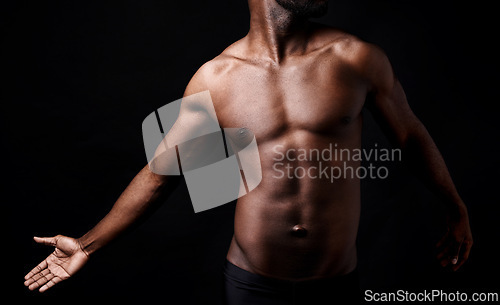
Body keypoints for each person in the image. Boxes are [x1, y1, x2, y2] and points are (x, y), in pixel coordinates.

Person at [24, 0, 473, 304]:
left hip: (335, 282)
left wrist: (454, 206)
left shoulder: (355, 58)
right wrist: (86, 245)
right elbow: (162, 174)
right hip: (252, 285)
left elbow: (410, 137)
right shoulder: (216, 79)